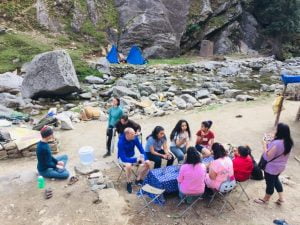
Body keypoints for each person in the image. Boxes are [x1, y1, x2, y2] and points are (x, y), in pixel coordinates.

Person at [254, 123, 293, 205]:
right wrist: (271, 140)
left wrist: (264, 145)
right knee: (275, 180)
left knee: (269, 183)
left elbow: (268, 156)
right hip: (281, 166)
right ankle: (281, 198)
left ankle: (265, 199)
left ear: (280, 132)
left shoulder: (277, 143)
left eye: (276, 129)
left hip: (271, 167)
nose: (275, 131)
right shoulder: (288, 142)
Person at [118, 128, 150, 193]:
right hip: (123, 159)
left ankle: (138, 178)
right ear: (127, 134)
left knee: (148, 163)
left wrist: (145, 158)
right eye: (132, 134)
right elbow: (124, 158)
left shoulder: (134, 138)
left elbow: (141, 149)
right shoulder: (120, 142)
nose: (135, 135)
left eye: (134, 133)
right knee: (128, 166)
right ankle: (128, 182)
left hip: (132, 156)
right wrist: (136, 159)